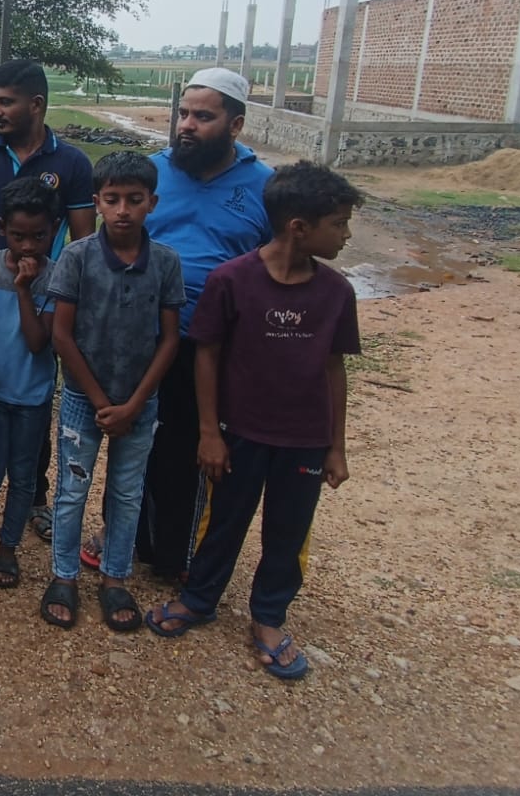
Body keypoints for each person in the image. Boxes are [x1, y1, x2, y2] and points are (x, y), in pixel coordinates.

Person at [146, 162, 363, 681]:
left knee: (289, 530)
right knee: (222, 521)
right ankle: (200, 598)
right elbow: (206, 355)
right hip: (240, 433)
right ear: (298, 227)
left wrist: (336, 446)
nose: (346, 234)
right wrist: (209, 432)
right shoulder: (232, 280)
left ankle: (269, 616)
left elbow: (334, 368)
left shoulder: (336, 293)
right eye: (338, 223)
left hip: (304, 439)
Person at [135, 67, 275, 583]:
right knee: (134, 442)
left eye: (203, 116)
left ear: (235, 125)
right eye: (183, 113)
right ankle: (126, 537)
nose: (187, 126)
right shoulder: (151, 174)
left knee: (191, 448)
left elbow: (276, 266)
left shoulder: (264, 186)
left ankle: (177, 557)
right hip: (142, 338)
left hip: (212, 347)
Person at [0, 59, 94, 542]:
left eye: (5, 102)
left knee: (35, 396)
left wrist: (60, 294)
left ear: (36, 104)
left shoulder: (71, 164)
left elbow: (83, 241)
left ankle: (34, 499)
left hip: (43, 298)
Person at [44, 152, 184, 632]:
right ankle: (63, 575)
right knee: (71, 491)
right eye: (112, 199)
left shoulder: (165, 262)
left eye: (134, 199)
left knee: (127, 493)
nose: (123, 210)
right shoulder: (77, 257)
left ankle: (115, 577)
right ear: (97, 203)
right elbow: (62, 335)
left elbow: (170, 339)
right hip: (84, 400)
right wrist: (103, 402)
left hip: (140, 403)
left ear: (152, 203)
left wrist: (136, 403)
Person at [0, 176, 61, 591]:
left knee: (23, 478)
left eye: (39, 236)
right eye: (18, 236)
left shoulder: (56, 277)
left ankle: (8, 548)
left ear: (54, 230)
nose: (28, 246)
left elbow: (39, 342)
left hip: (32, 398)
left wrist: (23, 290)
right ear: (2, 228)